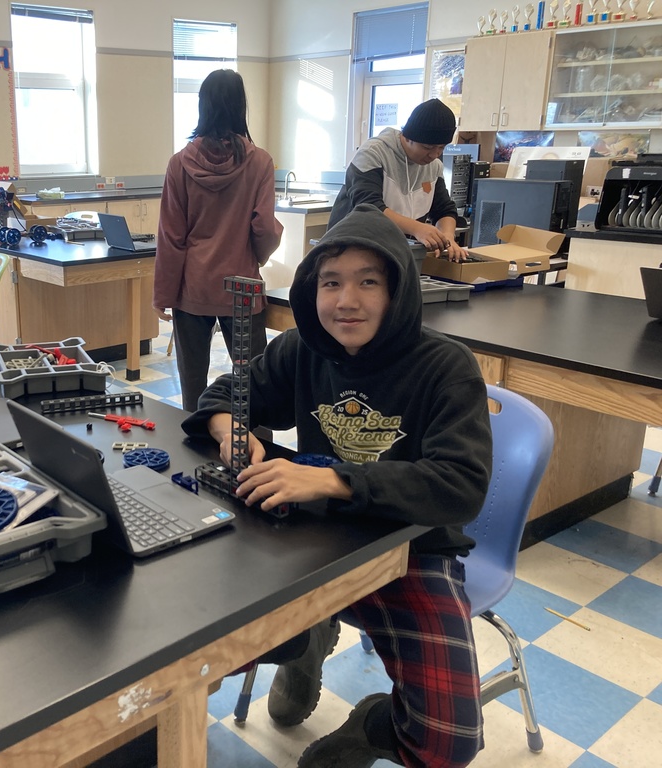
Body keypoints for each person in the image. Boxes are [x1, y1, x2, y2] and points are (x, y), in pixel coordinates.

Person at [182, 204, 493, 768]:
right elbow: (226, 393)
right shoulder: (303, 349)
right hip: (309, 543)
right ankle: (306, 640)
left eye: (368, 282)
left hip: (410, 551)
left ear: (398, 289)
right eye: (331, 283)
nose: (346, 300)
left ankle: (371, 724)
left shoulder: (446, 367)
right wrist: (230, 427)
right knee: (192, 654)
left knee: (450, 744)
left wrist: (330, 479)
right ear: (311, 289)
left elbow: (460, 484)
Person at [153, 68, 284, 411]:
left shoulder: (179, 164)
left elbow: (171, 237)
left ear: (202, 105)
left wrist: (163, 294)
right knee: (254, 383)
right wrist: (256, 257)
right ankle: (259, 455)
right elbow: (265, 229)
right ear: (242, 106)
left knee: (192, 386)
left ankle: (193, 454)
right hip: (242, 288)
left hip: (192, 289)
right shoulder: (260, 162)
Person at [328, 99, 468, 263]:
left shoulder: (433, 167)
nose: (434, 155)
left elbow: (444, 209)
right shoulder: (373, 153)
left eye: (441, 148)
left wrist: (447, 238)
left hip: (396, 252)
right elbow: (369, 207)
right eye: (428, 148)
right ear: (408, 137)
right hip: (349, 248)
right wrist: (417, 229)